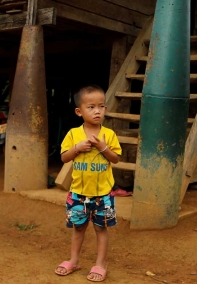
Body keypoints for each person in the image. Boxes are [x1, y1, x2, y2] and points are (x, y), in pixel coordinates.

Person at [55, 85, 122, 282]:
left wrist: (103, 148)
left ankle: (101, 264)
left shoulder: (108, 135)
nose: (97, 111)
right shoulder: (73, 134)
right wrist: (77, 148)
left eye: (101, 106)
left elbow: (116, 159)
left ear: (105, 110)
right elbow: (64, 157)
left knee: (101, 229)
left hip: (103, 194)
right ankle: (73, 260)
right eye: (91, 107)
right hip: (78, 193)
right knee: (78, 228)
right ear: (79, 111)